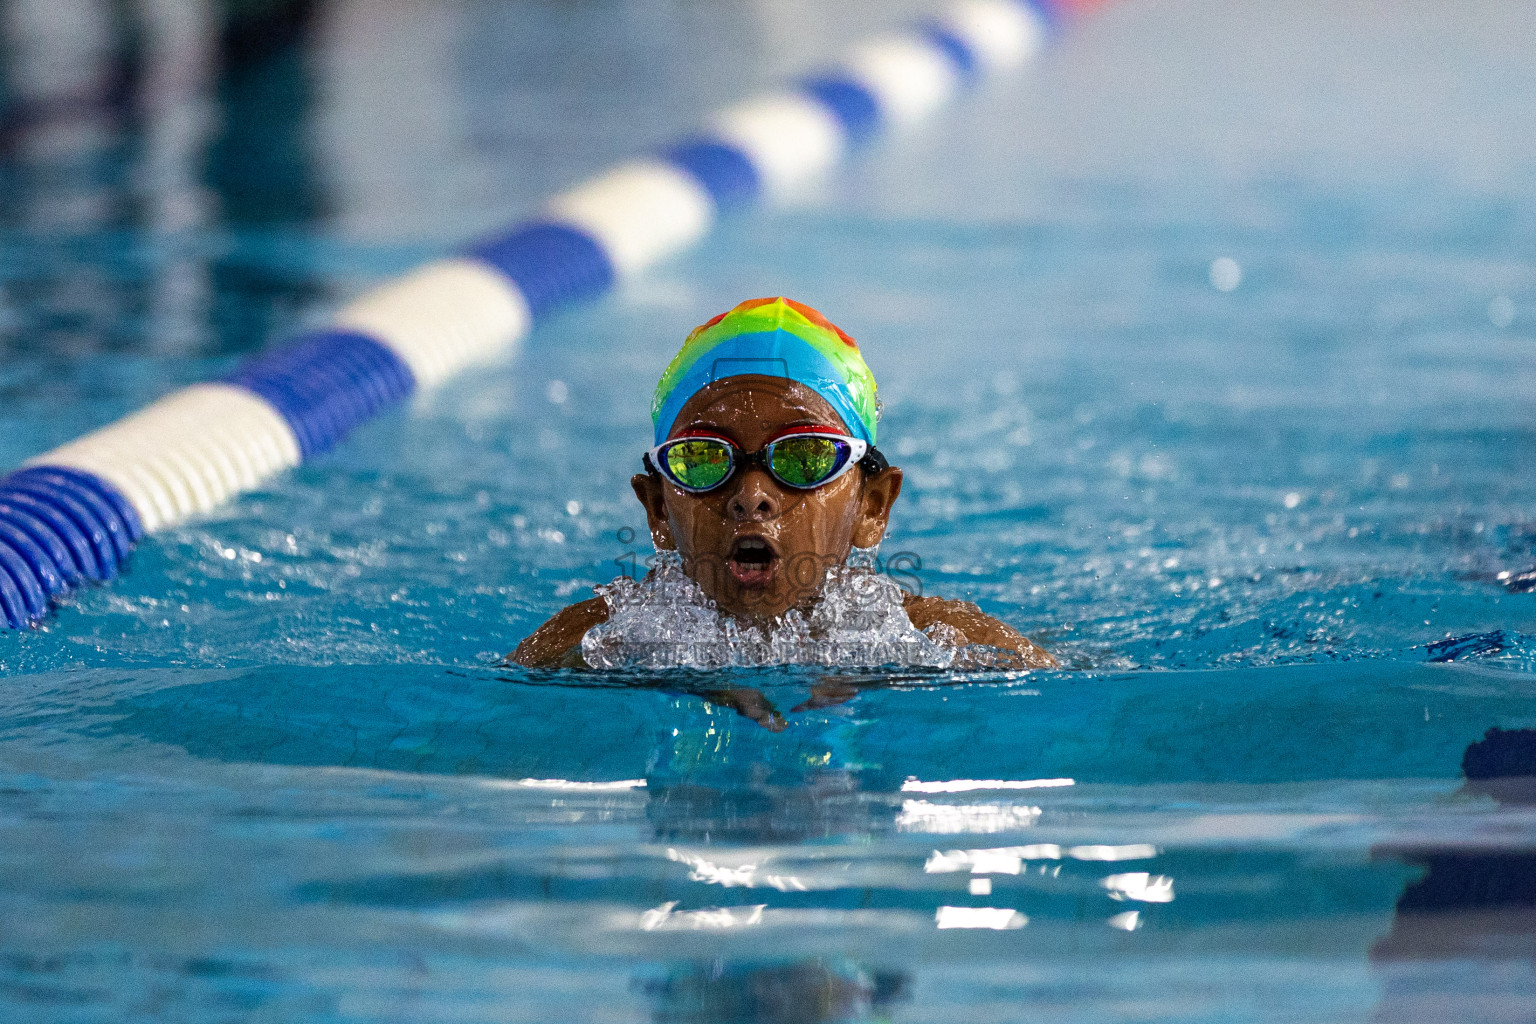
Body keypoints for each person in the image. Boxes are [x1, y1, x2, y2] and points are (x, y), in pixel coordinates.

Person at [509, 297, 1055, 671]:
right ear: (657, 509)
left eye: (803, 457)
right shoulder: (595, 645)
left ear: (872, 506)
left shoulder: (935, 643)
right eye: (703, 459)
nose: (751, 495)